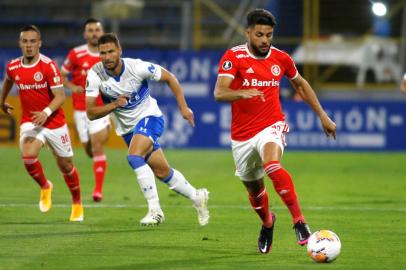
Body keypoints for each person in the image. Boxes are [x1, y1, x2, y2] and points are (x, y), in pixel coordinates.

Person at [214, 9, 336, 254]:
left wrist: (322, 115)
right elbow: (219, 92)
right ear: (248, 32)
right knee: (254, 189)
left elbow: (301, 83)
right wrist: (242, 93)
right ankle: (268, 223)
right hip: (241, 136)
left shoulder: (281, 58)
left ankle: (299, 221)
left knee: (272, 165)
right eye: (259, 35)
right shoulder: (234, 57)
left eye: (269, 35)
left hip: (271, 125)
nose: (265, 40)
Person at [85, 33, 209, 226]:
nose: (107, 57)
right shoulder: (95, 75)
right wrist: (114, 105)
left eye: (111, 51)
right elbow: (91, 112)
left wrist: (184, 108)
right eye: (103, 53)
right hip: (128, 129)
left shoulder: (137, 67)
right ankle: (197, 197)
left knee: (134, 157)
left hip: (150, 117)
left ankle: (155, 210)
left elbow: (170, 78)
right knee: (163, 172)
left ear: (119, 51)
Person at [0, 25, 84, 221]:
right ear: (20, 43)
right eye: (25, 41)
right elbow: (8, 81)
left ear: (39, 43)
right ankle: (46, 186)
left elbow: (61, 95)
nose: (29, 46)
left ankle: (77, 203)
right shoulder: (13, 66)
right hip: (31, 121)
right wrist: (2, 100)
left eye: (32, 41)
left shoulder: (48, 65)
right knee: (28, 155)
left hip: (54, 121)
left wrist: (46, 112)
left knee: (66, 165)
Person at [61, 18, 110, 202]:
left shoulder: (109, 54)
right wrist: (72, 87)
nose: (94, 33)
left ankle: (98, 191)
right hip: (80, 110)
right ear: (85, 34)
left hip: (100, 108)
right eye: (90, 30)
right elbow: (62, 75)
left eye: (97, 29)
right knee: (89, 150)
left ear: (102, 31)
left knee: (97, 146)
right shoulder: (76, 54)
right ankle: (98, 141)